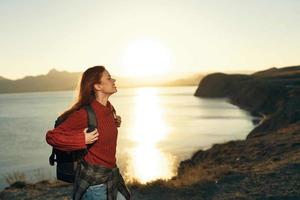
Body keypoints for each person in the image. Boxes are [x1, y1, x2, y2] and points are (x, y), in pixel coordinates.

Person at [46, 66, 130, 200]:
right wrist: (82, 139)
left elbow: (102, 127)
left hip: (111, 175)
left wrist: (115, 123)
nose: (113, 80)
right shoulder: (84, 114)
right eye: (108, 78)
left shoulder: (109, 108)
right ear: (97, 86)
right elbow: (52, 136)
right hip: (94, 183)